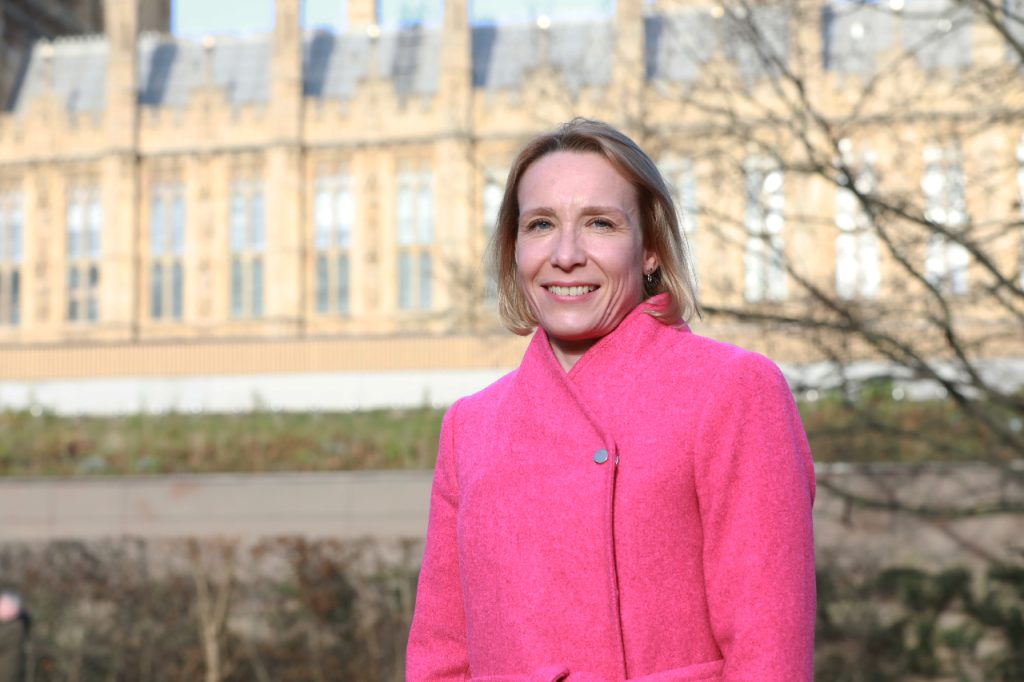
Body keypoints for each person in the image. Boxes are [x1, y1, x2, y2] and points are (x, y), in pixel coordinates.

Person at [407, 118, 816, 681]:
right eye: (541, 224)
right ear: (514, 249)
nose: (566, 254)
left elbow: (768, 653)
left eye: (600, 223)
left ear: (650, 250)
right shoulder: (471, 425)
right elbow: (441, 658)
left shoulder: (732, 389)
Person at [0, 591, 30, 682]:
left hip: (6, 675)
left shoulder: (16, 628)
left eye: (2, 606)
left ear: (13, 609)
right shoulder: (9, 625)